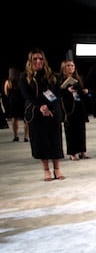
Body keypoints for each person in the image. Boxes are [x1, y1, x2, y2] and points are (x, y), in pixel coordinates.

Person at [18, 49, 65, 181]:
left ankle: (57, 169)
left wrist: (48, 107)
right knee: (41, 142)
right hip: (36, 114)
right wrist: (41, 106)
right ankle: (46, 170)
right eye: (35, 59)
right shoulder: (24, 77)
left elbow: (57, 93)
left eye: (40, 58)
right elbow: (27, 95)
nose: (38, 61)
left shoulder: (53, 75)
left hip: (52, 112)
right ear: (30, 61)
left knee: (55, 140)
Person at [59, 60, 90, 160]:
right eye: (68, 66)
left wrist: (85, 91)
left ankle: (82, 151)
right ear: (64, 67)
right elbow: (58, 94)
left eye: (72, 65)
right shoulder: (60, 80)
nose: (70, 67)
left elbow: (82, 91)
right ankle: (73, 152)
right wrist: (67, 91)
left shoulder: (79, 78)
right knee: (71, 131)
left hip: (79, 107)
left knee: (81, 130)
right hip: (68, 108)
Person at [4, 67, 28, 142]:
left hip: (13, 101)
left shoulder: (8, 82)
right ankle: (26, 137)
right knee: (26, 119)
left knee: (14, 118)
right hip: (23, 101)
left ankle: (16, 136)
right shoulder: (23, 80)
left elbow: (6, 93)